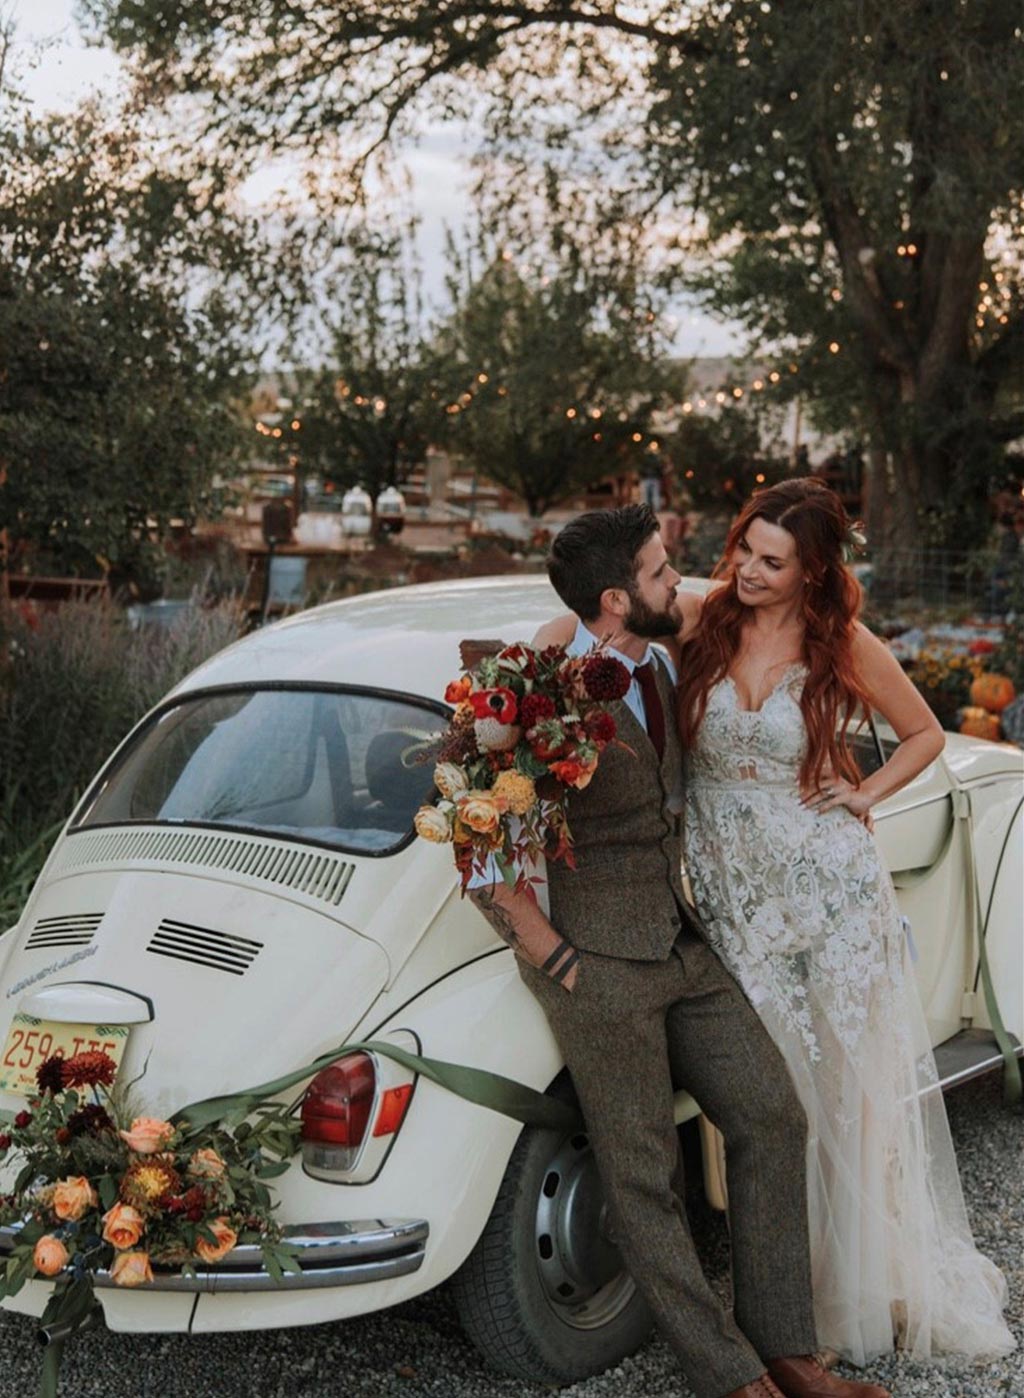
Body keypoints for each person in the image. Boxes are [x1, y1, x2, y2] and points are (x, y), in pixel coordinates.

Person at [537, 479, 1015, 1367]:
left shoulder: (843, 641)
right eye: (743, 551)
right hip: (730, 892)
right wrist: (539, 659)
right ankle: (785, 1292)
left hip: (830, 887)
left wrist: (861, 793)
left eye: (771, 561)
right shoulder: (703, 615)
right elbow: (595, 615)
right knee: (778, 1093)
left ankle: (855, 1288)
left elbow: (924, 735)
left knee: (848, 1092)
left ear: (812, 571)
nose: (747, 571)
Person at [469, 504, 890, 1398]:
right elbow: (481, 848)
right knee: (643, 1176)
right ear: (619, 598)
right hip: (597, 967)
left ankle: (788, 1349)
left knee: (772, 1118)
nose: (682, 581)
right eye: (664, 572)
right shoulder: (542, 691)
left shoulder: (659, 662)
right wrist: (555, 961)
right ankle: (731, 1375)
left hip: (683, 942)